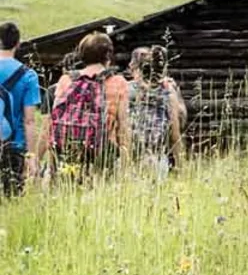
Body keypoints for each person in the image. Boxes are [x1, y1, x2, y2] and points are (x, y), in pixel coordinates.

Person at [46, 32, 129, 171]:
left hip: (67, 152)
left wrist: (51, 164)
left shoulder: (66, 80)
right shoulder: (118, 82)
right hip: (102, 155)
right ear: (108, 55)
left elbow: (52, 122)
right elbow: (123, 128)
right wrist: (127, 166)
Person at [125, 46, 187, 174]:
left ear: (133, 67)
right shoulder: (167, 91)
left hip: (132, 161)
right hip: (158, 161)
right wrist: (182, 170)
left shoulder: (127, 90)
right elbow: (175, 135)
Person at [0, 23, 41, 196]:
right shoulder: (28, 75)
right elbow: (29, 120)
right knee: (12, 199)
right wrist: (31, 155)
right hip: (14, 145)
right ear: (18, 43)